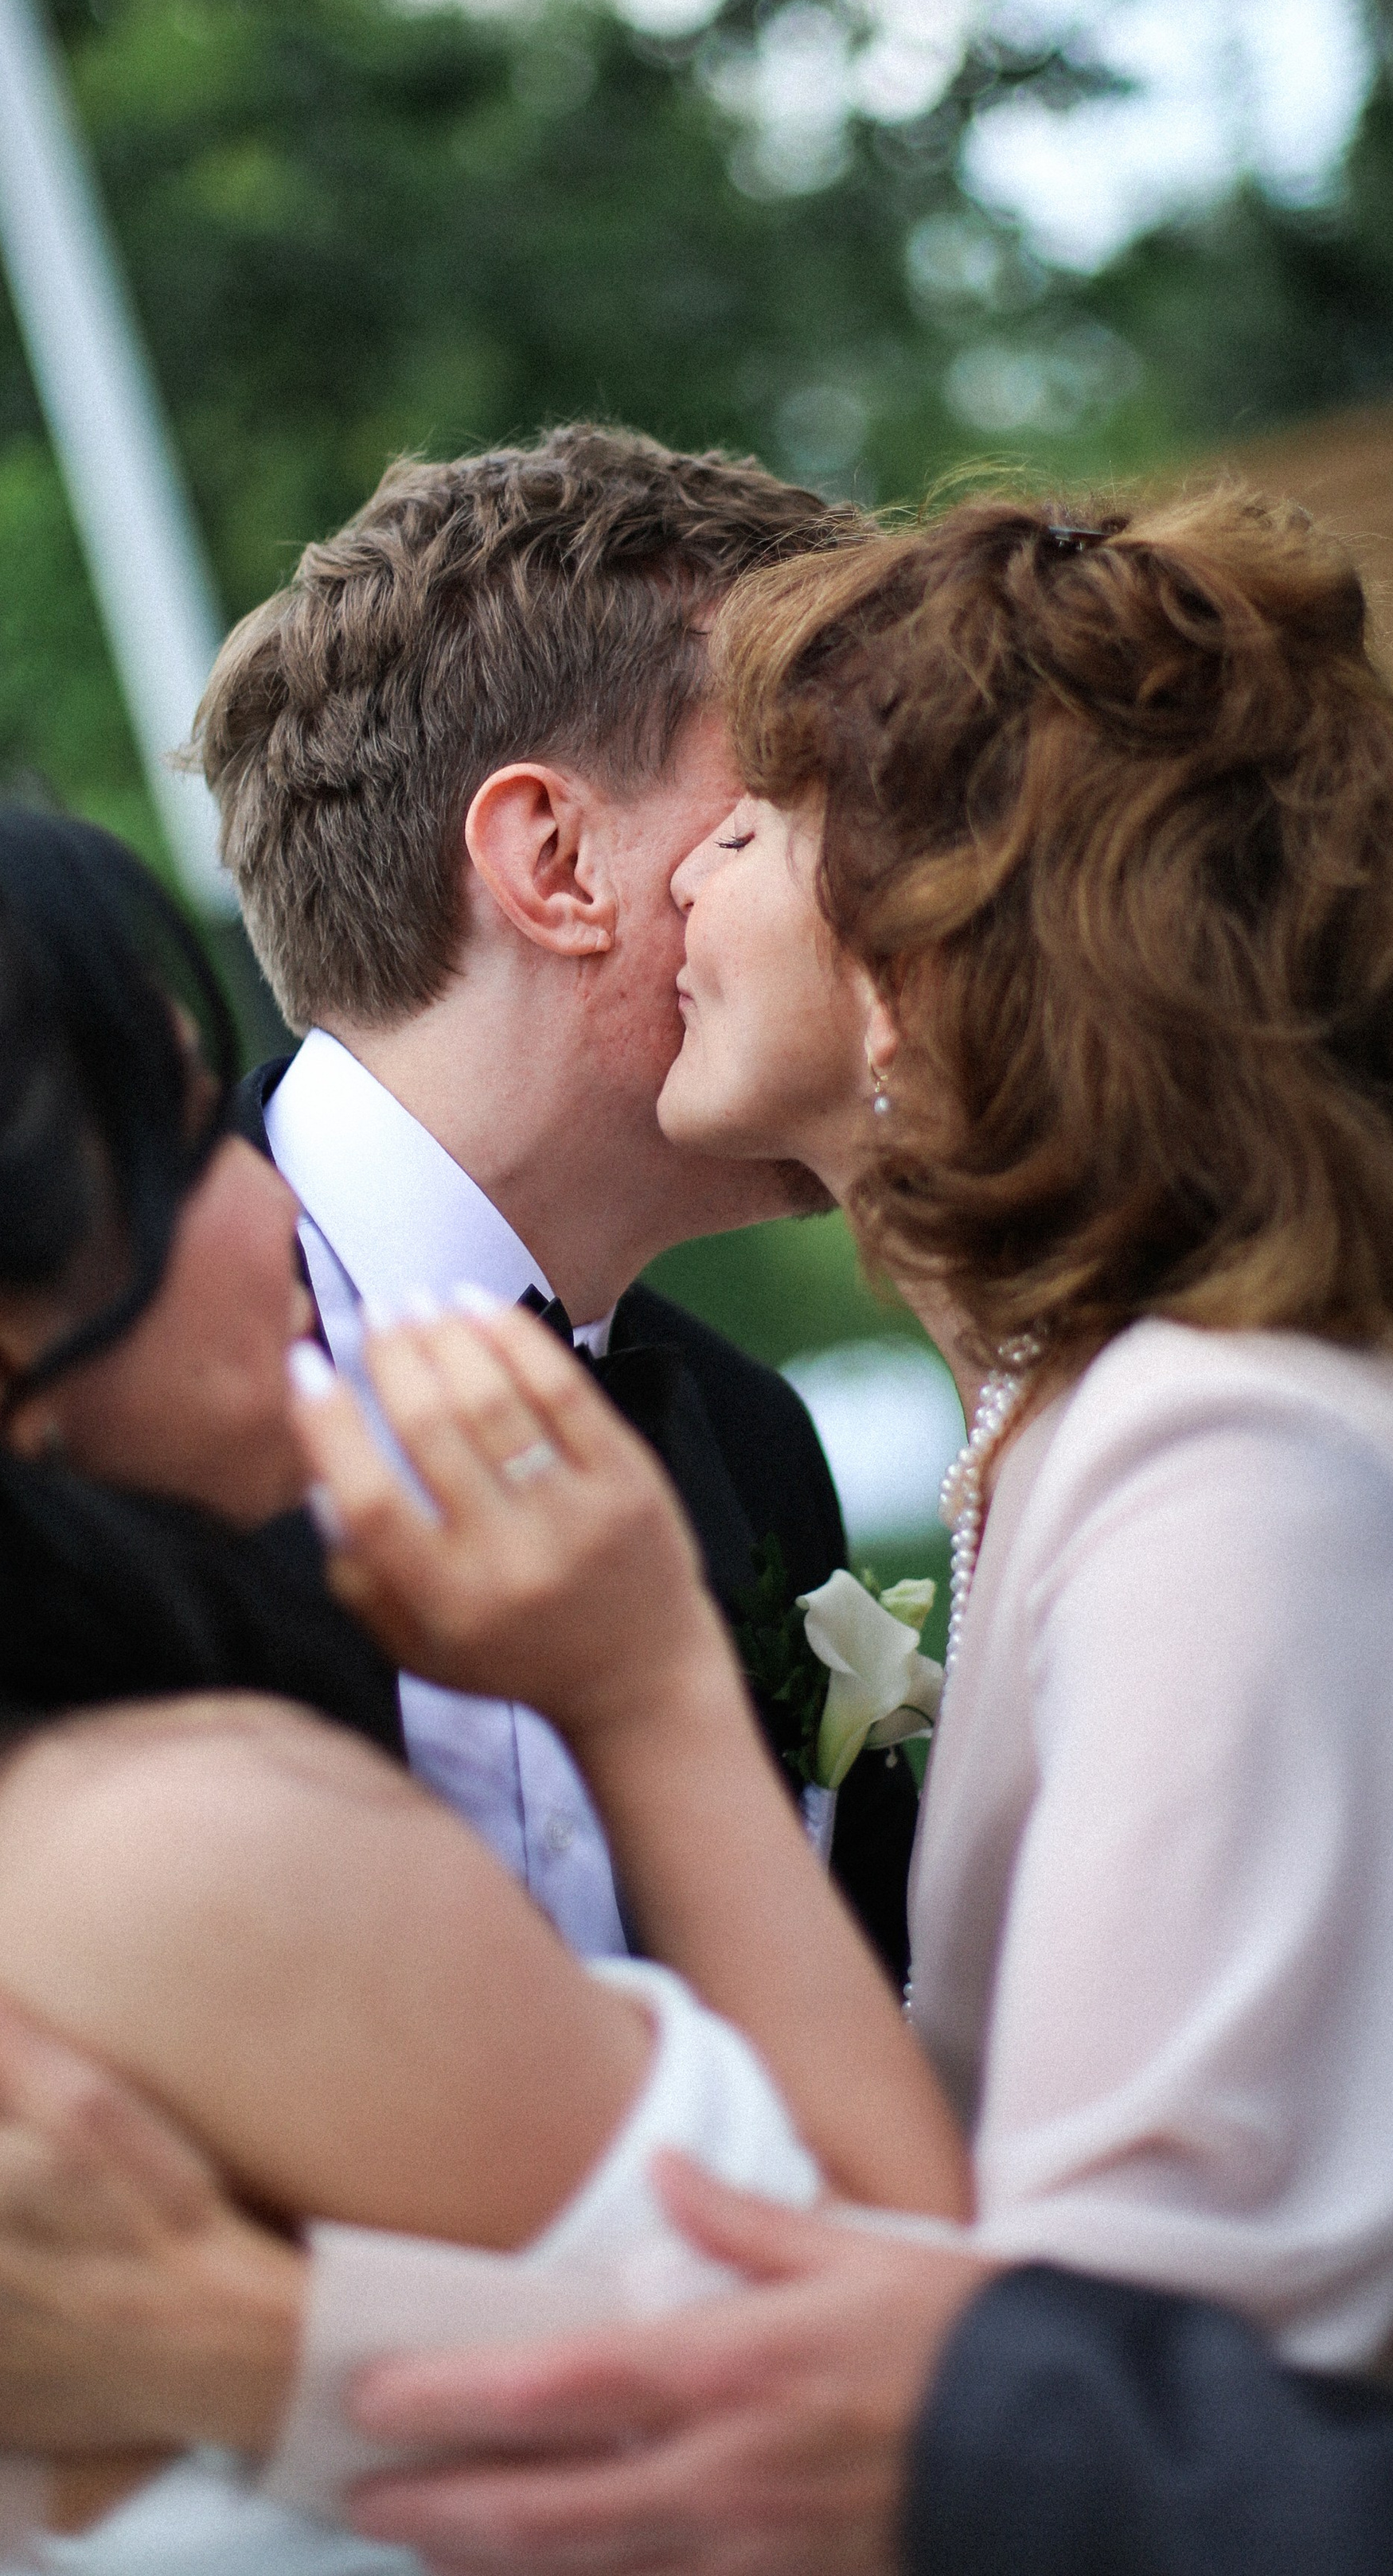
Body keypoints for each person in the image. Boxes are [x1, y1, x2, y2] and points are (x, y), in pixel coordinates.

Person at [0, 0, 1393, 2576]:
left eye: (804, 807)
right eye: (742, 779)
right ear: (550, 860)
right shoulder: (84, 1451)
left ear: (984, 928)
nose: (736, 863)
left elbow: (1046, 2404)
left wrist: (259, 2337)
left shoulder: (1087, 1463)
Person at [0, 791, 966, 2572]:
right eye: (179, 1138)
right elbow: (934, 2395)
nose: (265, 1194)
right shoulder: (191, 1849)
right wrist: (648, 1701)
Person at [194, 422, 918, 1977]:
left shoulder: (749, 1445)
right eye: (798, 789)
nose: (890, 877)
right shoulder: (135, 1393)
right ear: (557, 861)